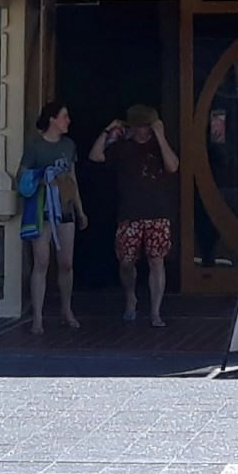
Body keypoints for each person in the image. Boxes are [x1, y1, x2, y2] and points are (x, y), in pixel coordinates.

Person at [90, 103, 180, 327]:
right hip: (130, 212)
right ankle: (130, 296)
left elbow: (173, 166)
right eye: (143, 126)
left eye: (149, 126)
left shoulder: (159, 145)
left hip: (157, 211)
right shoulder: (122, 146)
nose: (146, 130)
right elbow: (95, 156)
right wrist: (107, 131)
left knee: (156, 261)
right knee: (126, 262)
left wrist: (160, 136)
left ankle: (155, 311)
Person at [16, 102, 83, 334]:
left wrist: (80, 210)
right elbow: (21, 177)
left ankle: (67, 309)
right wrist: (42, 179)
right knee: (41, 262)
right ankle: (37, 317)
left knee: (66, 263)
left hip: (65, 209)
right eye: (64, 116)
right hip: (42, 210)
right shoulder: (35, 147)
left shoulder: (69, 145)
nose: (68, 121)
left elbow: (73, 179)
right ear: (53, 120)